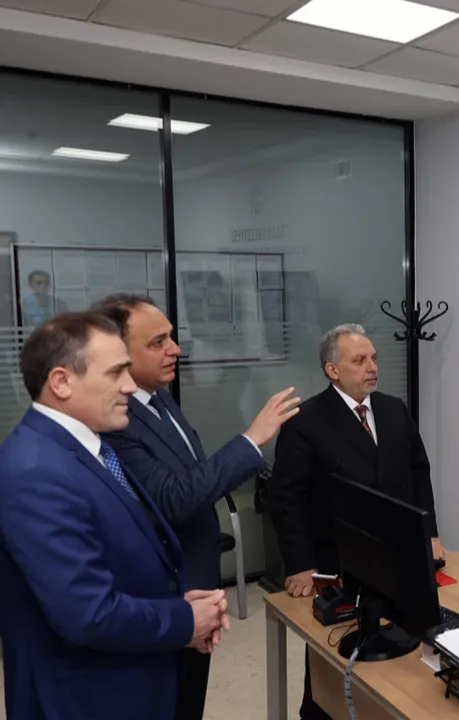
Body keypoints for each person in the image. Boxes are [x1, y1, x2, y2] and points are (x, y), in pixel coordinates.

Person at [0, 312, 230, 720]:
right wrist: (183, 620)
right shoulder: (36, 472)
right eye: (115, 373)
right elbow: (86, 613)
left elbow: (117, 551)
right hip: (86, 697)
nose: (128, 385)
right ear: (61, 382)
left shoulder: (89, 447)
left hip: (132, 676)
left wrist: (175, 600)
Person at [93, 293, 301, 720]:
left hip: (198, 584)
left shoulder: (160, 398)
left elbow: (195, 477)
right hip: (166, 596)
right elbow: (173, 499)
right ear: (118, 353)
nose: (175, 349)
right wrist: (251, 441)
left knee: (189, 701)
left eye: (171, 337)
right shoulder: (117, 419)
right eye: (158, 342)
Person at [270, 323, 443, 720]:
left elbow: (419, 474)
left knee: (403, 650)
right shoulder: (306, 420)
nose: (372, 367)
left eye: (374, 359)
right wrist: (299, 564)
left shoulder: (394, 409)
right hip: (336, 560)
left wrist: (430, 533)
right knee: (333, 653)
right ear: (332, 371)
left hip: (398, 554)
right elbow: (286, 498)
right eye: (360, 360)